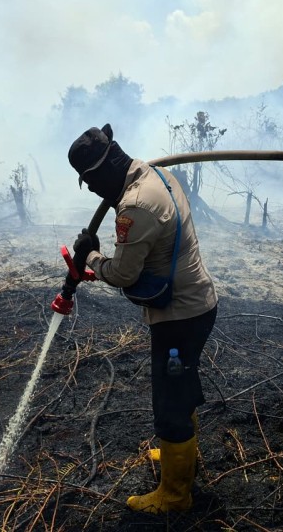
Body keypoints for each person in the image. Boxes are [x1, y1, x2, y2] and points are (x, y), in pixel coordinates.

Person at [67, 123, 218, 513]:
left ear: (102, 172)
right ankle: (176, 453)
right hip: (195, 303)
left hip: (179, 315)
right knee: (179, 390)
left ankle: (175, 495)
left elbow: (123, 274)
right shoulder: (157, 174)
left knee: (170, 403)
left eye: (90, 182)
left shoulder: (136, 206)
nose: (94, 192)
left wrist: (91, 255)